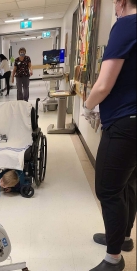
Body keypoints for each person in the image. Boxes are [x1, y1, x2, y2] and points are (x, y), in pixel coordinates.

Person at [84, 1, 136, 270]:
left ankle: (113, 258)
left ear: (123, 3)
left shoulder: (126, 25)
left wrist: (88, 105)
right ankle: (123, 237)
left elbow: (104, 84)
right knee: (128, 183)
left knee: (108, 189)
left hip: (124, 123)